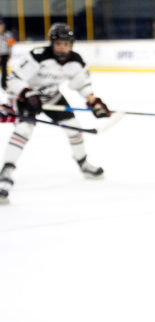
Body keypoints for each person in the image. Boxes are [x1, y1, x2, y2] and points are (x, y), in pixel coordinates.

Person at [0, 23, 110, 203]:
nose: (62, 47)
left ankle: (83, 164)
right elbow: (14, 80)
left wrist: (93, 102)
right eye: (58, 43)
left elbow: (82, 85)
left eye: (66, 44)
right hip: (26, 96)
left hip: (51, 96)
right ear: (52, 43)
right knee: (24, 130)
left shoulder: (76, 61)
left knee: (74, 128)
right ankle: (6, 171)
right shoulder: (38, 56)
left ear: (71, 45)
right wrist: (27, 93)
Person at [0, 19, 15, 89]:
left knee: (4, 70)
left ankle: (4, 84)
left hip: (5, 54)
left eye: (2, 25)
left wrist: (9, 53)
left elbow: (11, 44)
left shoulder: (8, 34)